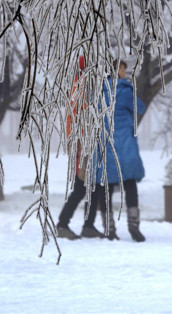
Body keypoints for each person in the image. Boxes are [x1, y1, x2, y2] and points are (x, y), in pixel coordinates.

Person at [90, 59, 148, 242]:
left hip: (105, 145)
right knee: (130, 184)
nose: (125, 73)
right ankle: (134, 227)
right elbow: (141, 107)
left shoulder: (98, 93)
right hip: (125, 145)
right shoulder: (125, 90)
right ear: (117, 71)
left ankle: (109, 228)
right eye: (123, 69)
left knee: (105, 187)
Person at [56, 55, 94, 241]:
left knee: (91, 186)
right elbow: (75, 117)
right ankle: (63, 224)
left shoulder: (82, 85)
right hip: (83, 144)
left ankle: (88, 225)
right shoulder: (81, 87)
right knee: (81, 186)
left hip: (85, 143)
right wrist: (78, 143)